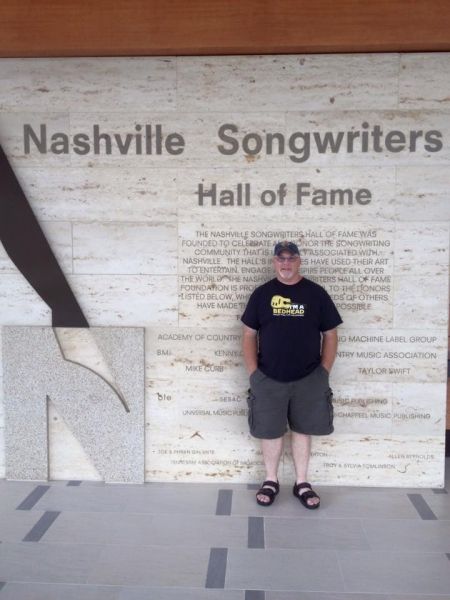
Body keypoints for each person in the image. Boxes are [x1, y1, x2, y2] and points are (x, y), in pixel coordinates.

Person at [241, 240, 342, 509]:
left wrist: (324, 371)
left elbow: (330, 333)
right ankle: (270, 480)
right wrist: (253, 373)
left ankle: (302, 483)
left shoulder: (316, 294)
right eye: (281, 258)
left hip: (309, 378)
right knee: (270, 431)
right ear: (274, 262)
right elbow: (249, 334)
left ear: (299, 261)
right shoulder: (262, 294)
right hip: (268, 378)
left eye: (291, 258)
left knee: (303, 430)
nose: (286, 263)